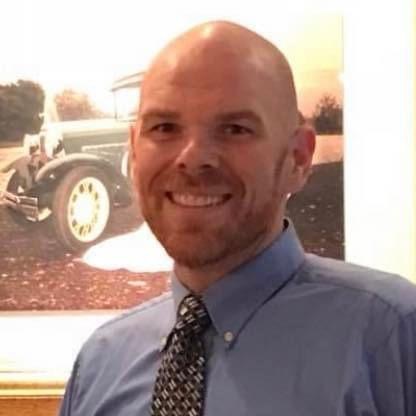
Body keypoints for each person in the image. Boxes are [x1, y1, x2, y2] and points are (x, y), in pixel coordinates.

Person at [59, 21, 416, 416]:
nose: (192, 157)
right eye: (164, 127)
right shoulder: (101, 364)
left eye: (234, 129)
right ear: (134, 150)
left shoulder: (392, 337)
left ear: (298, 158)